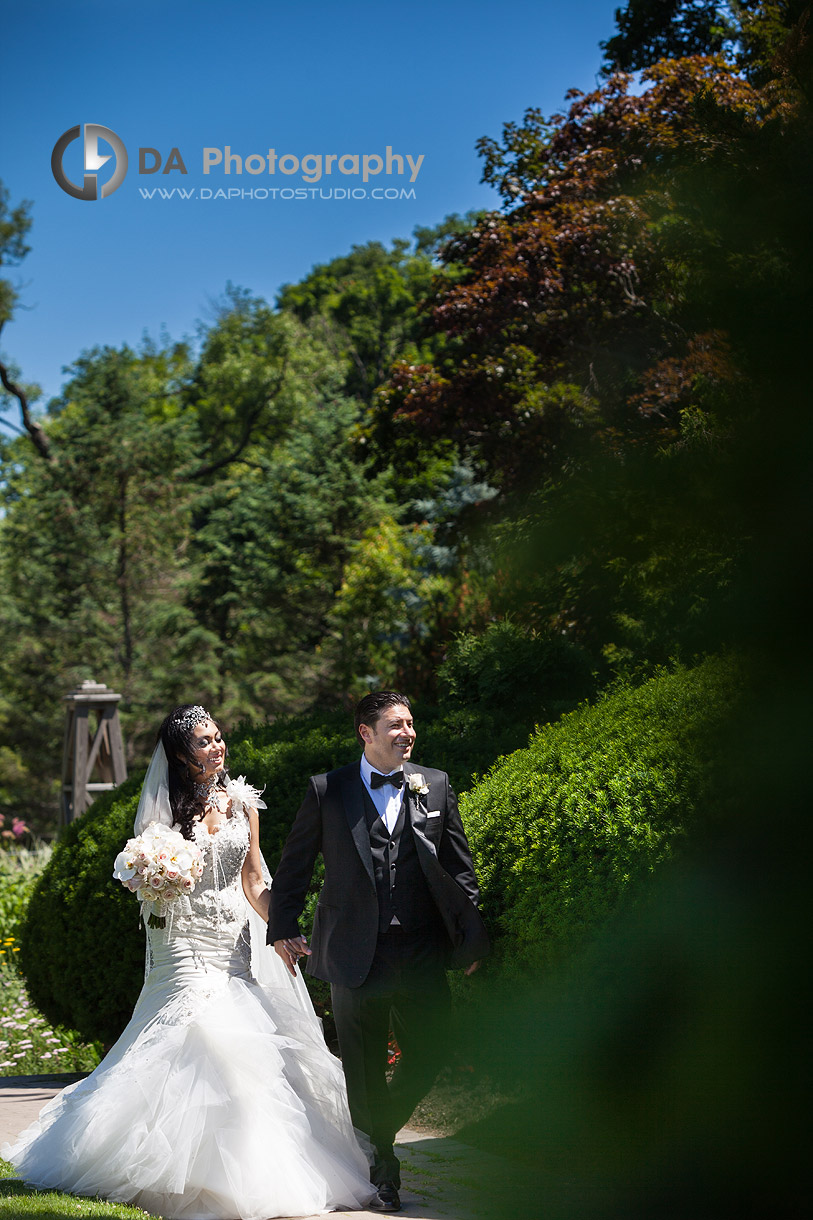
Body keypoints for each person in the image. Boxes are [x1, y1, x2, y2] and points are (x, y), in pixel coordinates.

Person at [3, 704, 376, 1220]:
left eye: (219, 737)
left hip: (234, 940)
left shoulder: (244, 802)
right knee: (207, 1033)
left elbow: (254, 882)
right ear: (180, 754)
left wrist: (282, 928)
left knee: (250, 1044)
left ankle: (258, 1167)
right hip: (181, 941)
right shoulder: (164, 810)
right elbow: (145, 884)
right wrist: (155, 875)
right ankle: (180, 1169)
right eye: (205, 741)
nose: (218, 747)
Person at [268, 690, 490, 1213]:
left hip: (420, 948)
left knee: (434, 1047)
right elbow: (294, 865)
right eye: (396, 724)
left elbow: (460, 867)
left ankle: (378, 1124)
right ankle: (384, 1170)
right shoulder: (328, 789)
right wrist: (283, 925)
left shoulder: (433, 784)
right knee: (363, 1068)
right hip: (351, 952)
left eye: (411, 723)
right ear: (366, 733)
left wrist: (469, 933)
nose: (407, 732)